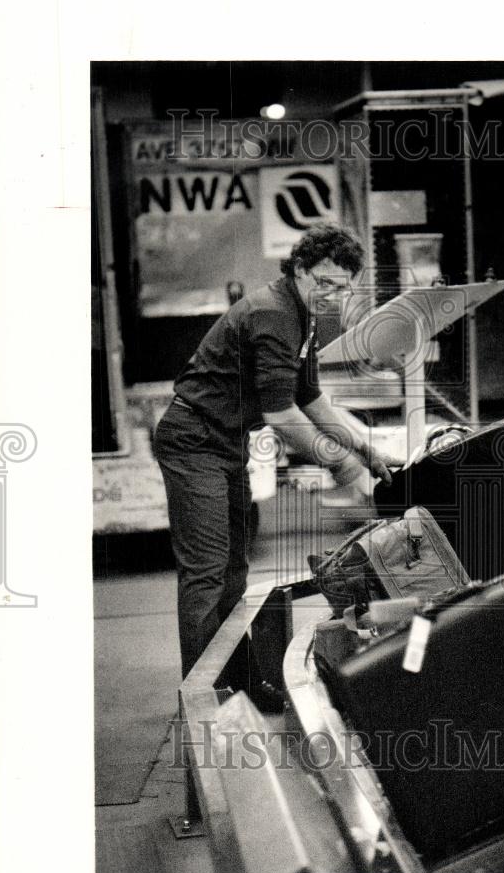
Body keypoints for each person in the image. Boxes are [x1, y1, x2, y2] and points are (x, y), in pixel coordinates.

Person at [154, 224, 398, 679]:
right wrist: (339, 462)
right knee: (207, 575)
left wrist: (364, 448)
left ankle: (239, 681)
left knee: (233, 571)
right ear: (300, 269)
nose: (332, 295)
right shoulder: (273, 312)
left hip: (225, 442)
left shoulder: (302, 313)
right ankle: (205, 696)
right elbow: (283, 415)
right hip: (193, 440)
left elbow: (309, 396)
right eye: (324, 283)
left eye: (343, 288)